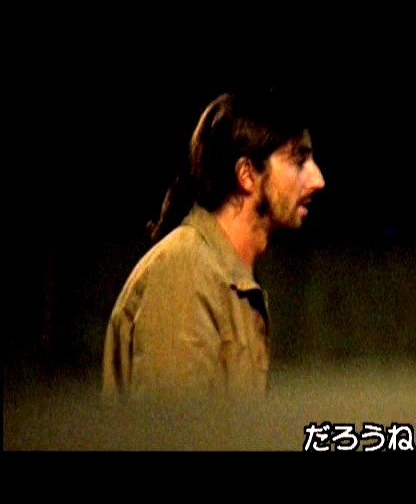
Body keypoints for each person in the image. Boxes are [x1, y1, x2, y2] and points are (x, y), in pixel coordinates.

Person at [102, 89, 325, 403]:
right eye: (299, 161)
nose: (317, 179)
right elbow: (174, 426)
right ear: (247, 174)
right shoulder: (184, 271)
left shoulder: (222, 277)